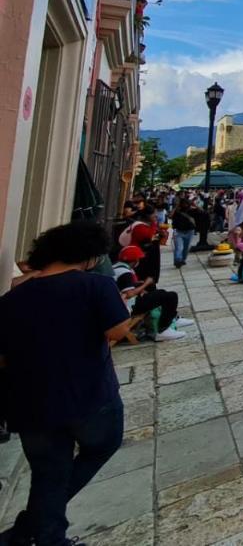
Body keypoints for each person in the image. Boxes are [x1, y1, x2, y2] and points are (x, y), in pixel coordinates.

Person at [0, 223, 131, 545]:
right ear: (88, 256)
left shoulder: (13, 297)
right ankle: (34, 528)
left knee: (48, 472)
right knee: (100, 447)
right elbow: (118, 331)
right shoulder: (96, 286)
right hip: (88, 395)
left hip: (30, 401)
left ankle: (40, 534)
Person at [113, 246, 190, 342]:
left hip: (120, 305)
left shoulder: (116, 267)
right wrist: (146, 284)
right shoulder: (125, 273)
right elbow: (129, 294)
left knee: (162, 293)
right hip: (128, 308)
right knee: (171, 296)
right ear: (135, 260)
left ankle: (172, 320)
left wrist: (141, 286)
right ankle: (163, 330)